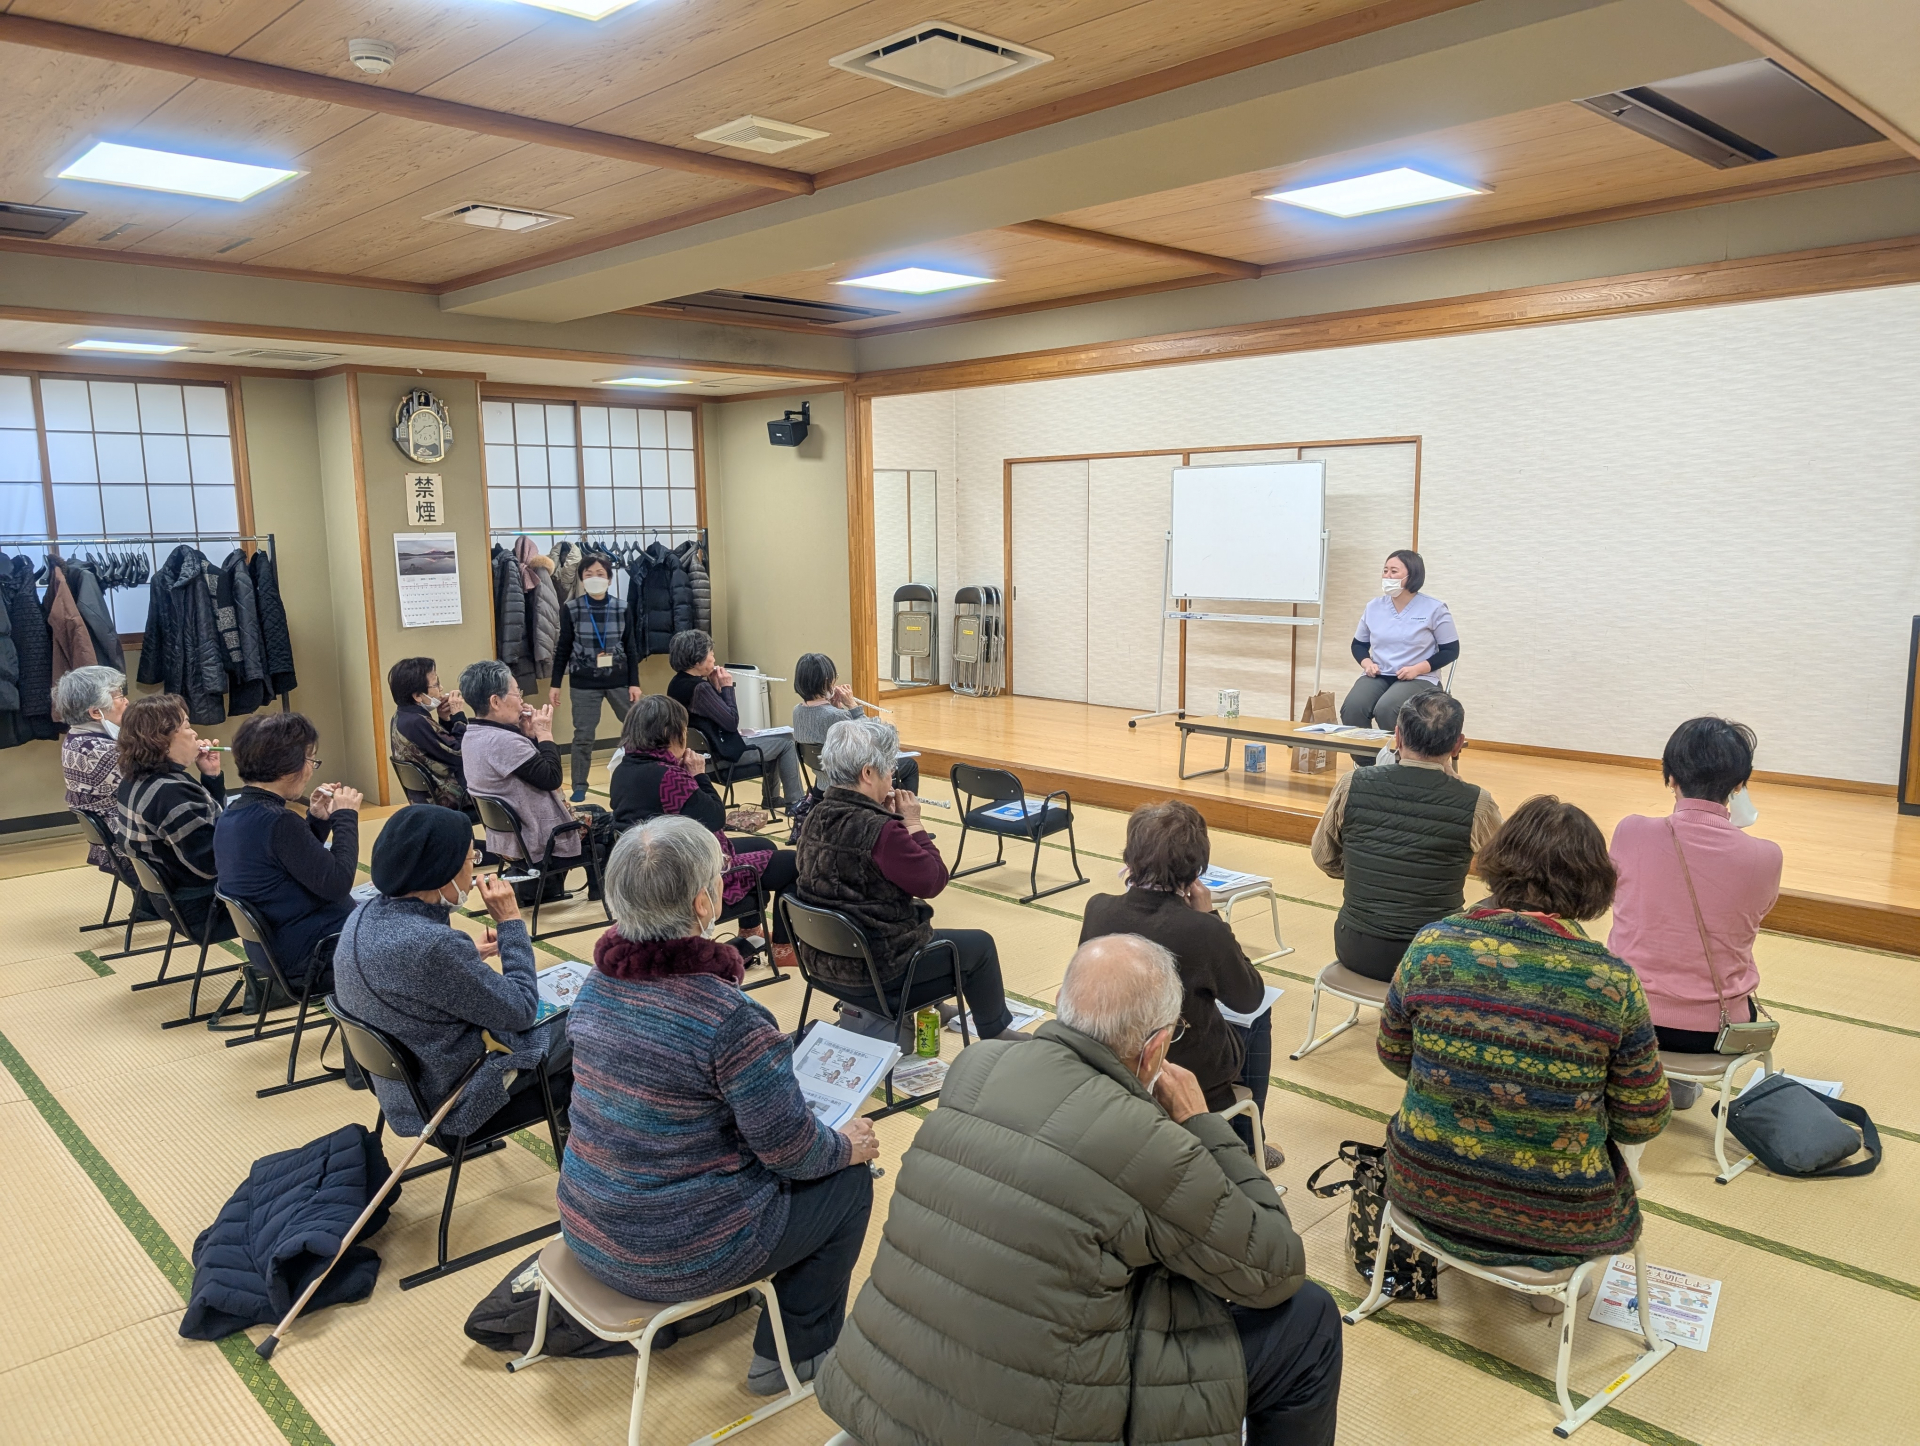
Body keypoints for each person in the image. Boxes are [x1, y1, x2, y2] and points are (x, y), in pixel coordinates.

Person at [816, 934, 1341, 1446]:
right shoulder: (1148, 1141)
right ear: (1156, 1048)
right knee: (1310, 1317)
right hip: (1037, 1426)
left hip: (876, 1397)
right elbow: (1275, 1267)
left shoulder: (975, 1065)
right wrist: (1201, 1122)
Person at [558, 817, 875, 1394]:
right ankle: (796, 1355)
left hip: (588, 1225)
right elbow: (793, 1154)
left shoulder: (596, 983)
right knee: (849, 1179)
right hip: (676, 1250)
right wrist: (846, 1145)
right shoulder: (727, 1016)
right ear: (704, 903)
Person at [1378, 796, 1671, 1277]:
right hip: (1561, 1219)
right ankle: (1543, 1281)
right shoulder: (1611, 980)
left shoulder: (1432, 944)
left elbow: (1393, 1053)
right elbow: (1642, 1118)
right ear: (1593, 883)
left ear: (1499, 864)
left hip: (1422, 1187)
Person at [332, 805, 571, 1142]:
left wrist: (467, 955)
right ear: (444, 872)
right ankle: (583, 1138)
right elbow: (521, 1011)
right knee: (589, 1019)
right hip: (455, 1100)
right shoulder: (433, 947)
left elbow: (406, 974)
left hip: (403, 1094)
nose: (474, 872)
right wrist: (510, 923)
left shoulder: (364, 914)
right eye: (472, 859)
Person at [793, 717, 1024, 1040]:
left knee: (908, 922)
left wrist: (887, 818)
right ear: (868, 773)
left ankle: (934, 1006)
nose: (893, 777)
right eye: (889, 769)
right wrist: (913, 825)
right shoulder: (882, 831)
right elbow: (933, 881)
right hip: (877, 974)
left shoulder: (815, 815)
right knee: (978, 945)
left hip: (821, 963)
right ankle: (995, 1032)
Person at [1080, 800, 1278, 1167]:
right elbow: (1249, 997)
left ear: (1131, 856)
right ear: (1195, 868)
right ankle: (1249, 1141)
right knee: (1258, 1016)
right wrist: (1212, 917)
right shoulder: (1202, 929)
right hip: (1185, 1072)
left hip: (1110, 1062)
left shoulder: (1098, 908)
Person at [1608, 718, 1782, 1108]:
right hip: (1715, 1032)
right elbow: (1755, 915)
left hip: (1625, 1019)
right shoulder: (1766, 856)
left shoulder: (1631, 832)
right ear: (1739, 784)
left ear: (1670, 777)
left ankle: (1655, 1085)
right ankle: (1676, 1086)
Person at [1310, 689, 1501, 980]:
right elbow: (1509, 872)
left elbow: (1323, 857)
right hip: (1435, 955)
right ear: (1457, 744)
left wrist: (1369, 869)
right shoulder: (1477, 802)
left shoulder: (1352, 783)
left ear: (1397, 737)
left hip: (1356, 948)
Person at [609, 694, 798, 950]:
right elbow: (715, 818)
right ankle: (784, 947)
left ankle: (751, 931)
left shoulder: (623, 770)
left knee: (764, 845)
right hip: (686, 877)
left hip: (648, 870)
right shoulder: (669, 776)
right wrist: (698, 775)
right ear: (669, 733)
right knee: (793, 864)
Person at [213, 712, 361, 987]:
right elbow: (338, 883)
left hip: (274, 952)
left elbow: (293, 865)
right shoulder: (278, 821)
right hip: (316, 956)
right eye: (310, 760)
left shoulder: (233, 813)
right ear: (288, 765)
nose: (311, 769)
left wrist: (317, 820)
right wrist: (346, 818)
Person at [112, 693, 236, 942]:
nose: (194, 733)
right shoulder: (171, 792)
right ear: (162, 740)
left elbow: (208, 830)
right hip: (205, 909)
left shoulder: (135, 780)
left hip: (171, 903)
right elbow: (211, 865)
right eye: (187, 726)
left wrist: (211, 776)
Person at [459, 658, 584, 901]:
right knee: (609, 825)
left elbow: (529, 770)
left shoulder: (473, 734)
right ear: (495, 701)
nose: (522, 701)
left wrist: (527, 735)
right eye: (517, 693)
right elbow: (551, 778)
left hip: (507, 839)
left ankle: (545, 889)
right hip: (536, 839)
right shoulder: (504, 741)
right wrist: (544, 734)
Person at [665, 629, 803, 816]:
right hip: (721, 757)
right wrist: (727, 688)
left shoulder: (676, 683)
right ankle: (795, 802)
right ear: (698, 660)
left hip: (704, 752)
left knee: (774, 742)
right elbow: (731, 721)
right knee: (786, 743)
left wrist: (715, 688)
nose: (714, 658)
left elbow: (709, 715)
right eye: (711, 654)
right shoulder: (699, 688)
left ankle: (771, 798)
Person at [1340, 548, 1459, 748]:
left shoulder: (1435, 608)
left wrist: (1417, 669)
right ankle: (1368, 762)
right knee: (1352, 708)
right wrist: (1367, 663)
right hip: (1379, 674)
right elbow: (1358, 644)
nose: (1387, 576)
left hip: (1419, 677)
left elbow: (1451, 650)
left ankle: (1400, 761)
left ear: (1412, 576)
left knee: (1388, 709)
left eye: (1394, 571)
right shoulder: (1374, 607)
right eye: (1385, 570)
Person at [553, 555, 639, 803]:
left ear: (609, 579)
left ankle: (637, 776)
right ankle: (579, 785)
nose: (594, 578)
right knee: (583, 736)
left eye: (600, 574)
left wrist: (635, 682)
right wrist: (555, 684)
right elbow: (563, 648)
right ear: (581, 579)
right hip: (583, 682)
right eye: (588, 574)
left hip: (619, 679)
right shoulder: (571, 608)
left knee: (637, 728)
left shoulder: (622, 607)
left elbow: (631, 646)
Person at [789, 651, 918, 793]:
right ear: (827, 681)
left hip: (821, 783)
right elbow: (876, 740)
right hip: (851, 782)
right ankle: (904, 805)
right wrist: (852, 706)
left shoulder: (797, 711)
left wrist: (837, 708)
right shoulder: (838, 716)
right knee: (910, 765)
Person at [54, 664, 128, 874]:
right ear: (96, 712)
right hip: (128, 850)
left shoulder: (75, 738)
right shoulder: (103, 751)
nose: (126, 701)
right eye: (119, 696)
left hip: (111, 844)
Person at [388, 656, 473, 814]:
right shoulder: (416, 722)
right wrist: (459, 717)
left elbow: (441, 748)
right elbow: (461, 753)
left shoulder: (402, 716)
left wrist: (444, 719)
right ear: (417, 696)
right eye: (436, 684)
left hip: (426, 798)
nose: (441, 688)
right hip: (450, 799)